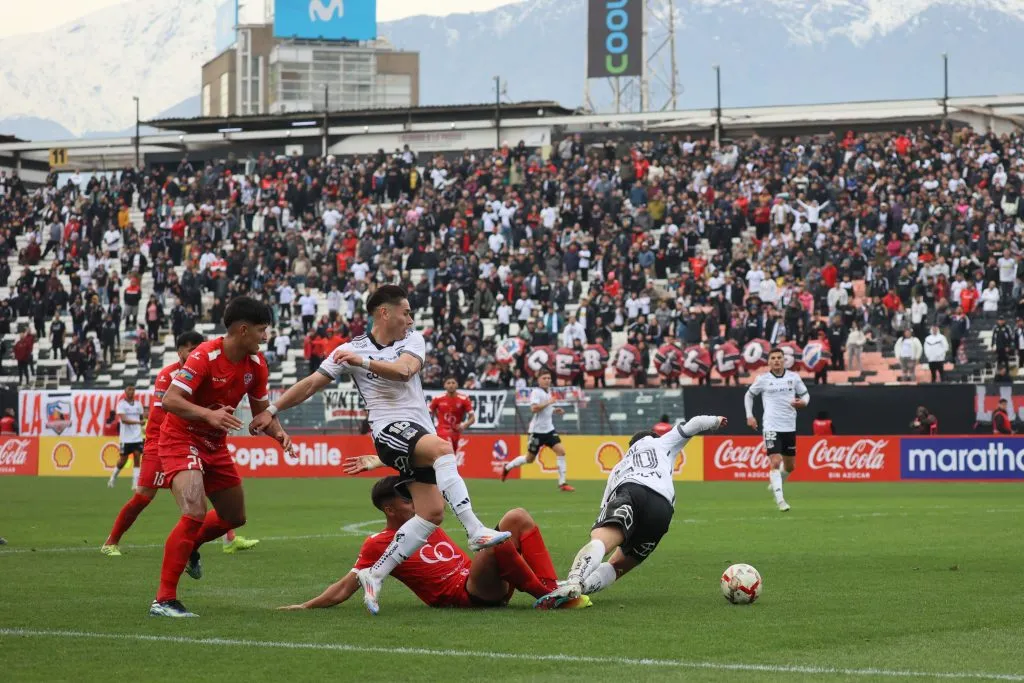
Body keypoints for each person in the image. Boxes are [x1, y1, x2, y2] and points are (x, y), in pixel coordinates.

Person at [249, 284, 510, 616]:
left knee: (431, 513)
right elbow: (311, 383)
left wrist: (362, 361)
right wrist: (271, 411)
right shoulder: (348, 349)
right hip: (389, 432)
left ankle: (375, 573)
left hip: (417, 433)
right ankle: (475, 530)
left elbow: (405, 372)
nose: (410, 319)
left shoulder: (409, 341)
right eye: (406, 312)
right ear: (384, 312)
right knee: (444, 448)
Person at [149, 296, 290, 618]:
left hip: (214, 445)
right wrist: (206, 415)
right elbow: (171, 400)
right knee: (194, 511)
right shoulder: (204, 356)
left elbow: (261, 414)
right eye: (262, 330)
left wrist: (278, 433)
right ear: (243, 330)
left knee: (235, 517)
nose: (266, 336)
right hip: (180, 439)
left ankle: (191, 546)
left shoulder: (256, 365)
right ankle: (163, 600)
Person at [278, 475, 590, 612]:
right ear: (390, 509)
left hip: (482, 579)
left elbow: (429, 470)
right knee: (495, 544)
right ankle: (546, 596)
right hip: (467, 594)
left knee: (517, 517)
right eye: (408, 499)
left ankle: (550, 588)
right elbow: (346, 586)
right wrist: (305, 606)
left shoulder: (425, 518)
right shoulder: (377, 544)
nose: (418, 502)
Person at [533, 415, 726, 609]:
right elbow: (695, 424)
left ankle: (574, 581)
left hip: (631, 491)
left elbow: (605, 505)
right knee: (618, 566)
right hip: (663, 509)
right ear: (654, 437)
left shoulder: (619, 467)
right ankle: (580, 588)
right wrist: (715, 421)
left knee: (601, 540)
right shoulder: (662, 442)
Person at [100, 332, 259, 557]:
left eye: (196, 346)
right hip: (162, 442)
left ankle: (228, 539)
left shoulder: (208, 372)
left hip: (193, 442)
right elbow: (162, 413)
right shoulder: (168, 375)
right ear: (179, 352)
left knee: (206, 492)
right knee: (143, 496)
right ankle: (111, 541)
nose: (192, 351)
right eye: (187, 347)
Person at [744, 348, 810, 512]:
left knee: (790, 467)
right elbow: (749, 395)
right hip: (771, 425)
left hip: (789, 425)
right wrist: (749, 416)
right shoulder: (763, 379)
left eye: (779, 358)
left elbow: (806, 394)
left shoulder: (793, 377)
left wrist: (803, 403)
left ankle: (776, 482)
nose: (776, 360)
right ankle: (780, 501)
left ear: (784, 360)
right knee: (775, 461)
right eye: (773, 358)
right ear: (769, 361)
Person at [500, 369, 574, 492]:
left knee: (561, 452)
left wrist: (555, 409)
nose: (547, 380)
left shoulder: (548, 392)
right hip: (536, 432)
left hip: (549, 430)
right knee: (529, 459)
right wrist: (549, 402)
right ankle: (507, 467)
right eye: (544, 378)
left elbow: (545, 408)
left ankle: (563, 484)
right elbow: (534, 408)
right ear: (538, 380)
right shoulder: (536, 392)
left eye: (549, 378)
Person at [108, 385, 144, 489]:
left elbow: (141, 418)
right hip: (125, 438)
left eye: (133, 389)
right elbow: (124, 420)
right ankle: (113, 477)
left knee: (137, 457)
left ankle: (135, 484)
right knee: (123, 460)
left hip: (137, 437)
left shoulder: (138, 404)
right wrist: (138, 422)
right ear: (125, 391)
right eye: (129, 389)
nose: (131, 392)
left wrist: (141, 424)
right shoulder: (121, 404)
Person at [428, 375, 475, 450]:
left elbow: (472, 418)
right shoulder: (437, 399)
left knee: (452, 455)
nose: (451, 385)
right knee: (447, 450)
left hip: (455, 432)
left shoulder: (464, 399)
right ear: (444, 385)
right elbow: (429, 412)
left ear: (457, 385)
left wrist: (464, 425)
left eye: (453, 383)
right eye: (448, 383)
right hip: (442, 430)